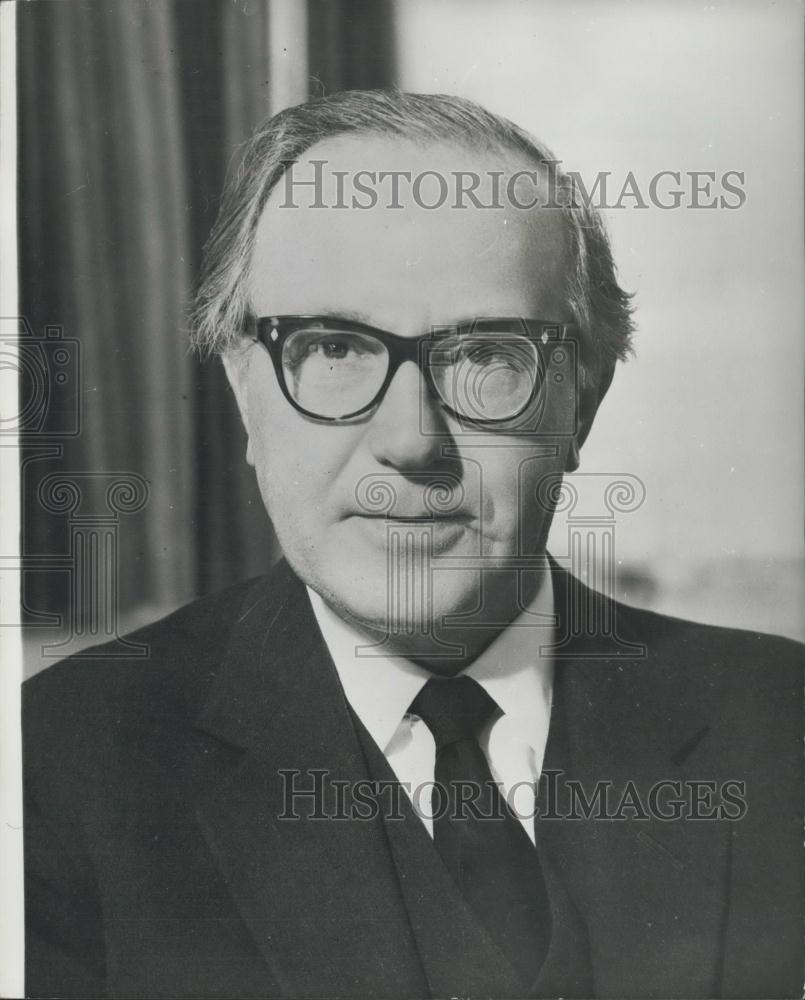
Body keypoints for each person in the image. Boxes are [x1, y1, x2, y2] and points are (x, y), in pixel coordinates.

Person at [23, 91, 802, 999]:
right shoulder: (60, 763)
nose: (410, 439)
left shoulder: (780, 726)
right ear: (244, 393)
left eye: (486, 355)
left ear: (580, 402)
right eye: (333, 347)